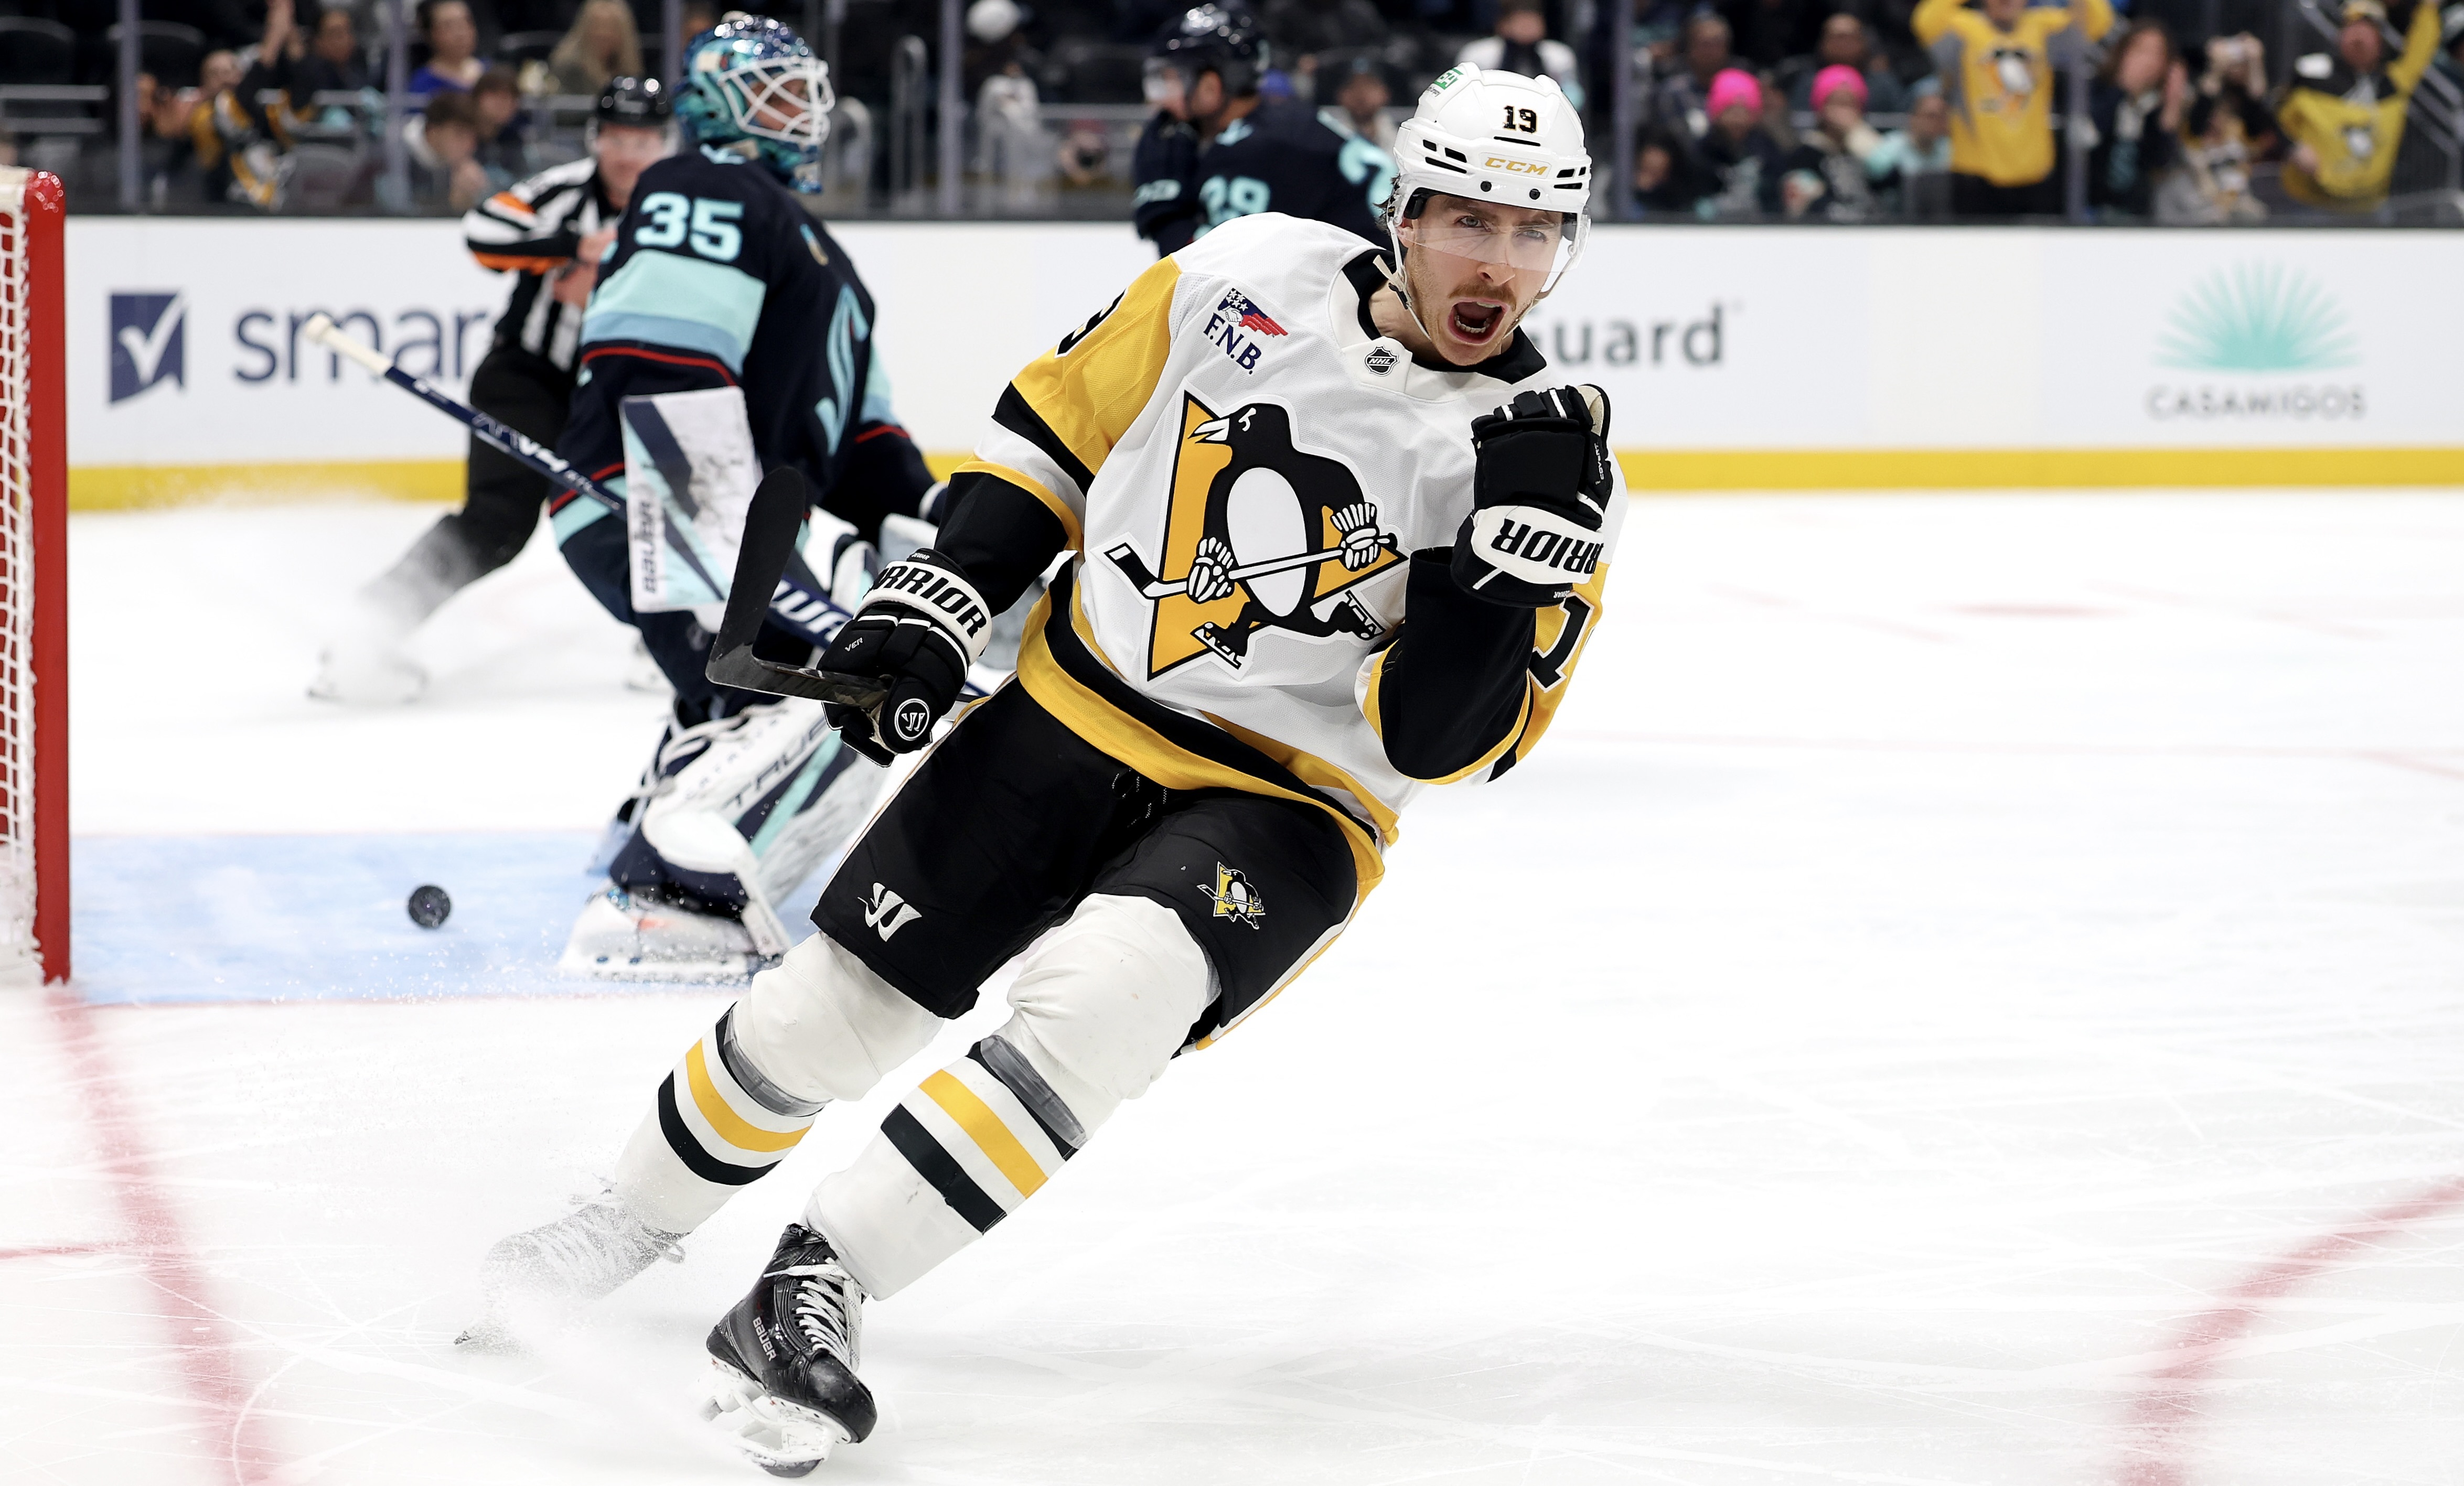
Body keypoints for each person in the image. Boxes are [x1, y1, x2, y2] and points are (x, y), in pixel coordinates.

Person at [467, 64, 1622, 1477]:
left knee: (1106, 1004)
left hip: (1291, 802)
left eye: (1530, 232)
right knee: (834, 1015)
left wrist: (1495, 589)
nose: (1497, 261)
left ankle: (813, 1286)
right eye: (1469, 220)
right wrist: (943, 603)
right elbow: (1055, 435)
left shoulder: (1548, 458)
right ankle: (629, 1214)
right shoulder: (1249, 276)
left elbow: (1436, 745)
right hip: (1074, 705)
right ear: (1405, 209)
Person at [547, 15, 940, 980]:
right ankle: (667, 892)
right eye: (773, 91)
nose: (800, 113)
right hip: (654, 495)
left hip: (718, 517)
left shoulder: (823, 262)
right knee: (841, 673)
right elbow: (664, 361)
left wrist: (945, 524)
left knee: (802, 666)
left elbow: (867, 443)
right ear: (717, 98)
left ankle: (663, 817)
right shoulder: (701, 184)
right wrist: (722, 549)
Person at [314, 78, 675, 704]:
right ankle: (368, 630)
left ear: (664, 144)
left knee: (663, 508)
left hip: (625, 390)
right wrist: (571, 248)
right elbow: (485, 230)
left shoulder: (683, 209)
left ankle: (672, 641)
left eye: (643, 141)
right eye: (617, 138)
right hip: (529, 377)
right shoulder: (563, 194)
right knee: (496, 523)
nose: (628, 155)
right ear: (597, 139)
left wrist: (612, 283)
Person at [1130, 4, 1394, 254]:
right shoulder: (1283, 124)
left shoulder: (1254, 151)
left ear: (1210, 86)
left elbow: (1209, 274)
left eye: (1169, 80)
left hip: (1389, 284)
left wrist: (1165, 211)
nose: (1158, 100)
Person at [1915, 0, 2114, 217]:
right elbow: (1926, 21)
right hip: (1974, 175)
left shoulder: (2043, 27)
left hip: (2035, 175)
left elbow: (2097, 21)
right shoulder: (1964, 29)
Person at [2277, 0, 2441, 211]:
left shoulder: (2392, 84)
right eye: (2352, 28)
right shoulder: (2311, 77)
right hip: (2310, 201)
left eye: (2368, 30)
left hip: (2368, 207)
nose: (2359, 37)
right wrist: (2293, 147)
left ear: (2380, 40)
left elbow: (2421, 48)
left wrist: (2428, 9)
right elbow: (2277, 121)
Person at [2086, 20, 2187, 218]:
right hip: (2092, 208)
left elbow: (2161, 165)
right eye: (2140, 50)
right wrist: (2122, 88)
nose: (2147, 61)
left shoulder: (2157, 106)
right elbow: (2089, 137)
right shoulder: (2098, 90)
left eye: (2157, 54)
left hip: (2138, 214)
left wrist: (2172, 107)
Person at [1782, 64, 1888, 219]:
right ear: (1821, 109)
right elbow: (1805, 205)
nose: (1843, 112)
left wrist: (1859, 137)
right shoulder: (1805, 154)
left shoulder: (1868, 146)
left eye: (1850, 105)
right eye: (1836, 104)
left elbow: (1890, 180)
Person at [1456, 0, 1587, 107]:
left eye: (1532, 23)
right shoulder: (1477, 54)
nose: (1527, 29)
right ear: (1503, 25)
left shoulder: (1560, 55)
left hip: (1545, 114)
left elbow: (1574, 95)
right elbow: (1461, 93)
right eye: (1521, 23)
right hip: (1489, 110)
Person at [1694, 66, 1784, 216]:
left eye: (1746, 111)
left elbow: (1775, 190)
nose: (1738, 119)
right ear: (1716, 113)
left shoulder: (1766, 148)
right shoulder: (1703, 150)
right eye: (1731, 110)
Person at [1787, 13, 1912, 112]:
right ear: (1823, 44)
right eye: (1838, 38)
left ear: (1863, 43)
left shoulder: (1884, 85)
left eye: (1850, 38)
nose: (1843, 45)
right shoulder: (1808, 83)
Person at [1866, 80, 1955, 214]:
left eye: (1941, 117)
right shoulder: (1889, 148)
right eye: (1930, 116)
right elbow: (1872, 181)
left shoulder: (1951, 151)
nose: (1935, 122)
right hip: (1895, 221)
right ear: (1913, 118)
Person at [408, 89, 496, 209]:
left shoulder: (473, 161)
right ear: (434, 133)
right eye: (460, 134)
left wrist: (466, 199)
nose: (470, 145)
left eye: (474, 136)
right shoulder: (393, 159)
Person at [548, 0, 645, 96]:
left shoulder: (629, 74)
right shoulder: (569, 70)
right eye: (597, 26)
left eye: (611, 27)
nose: (604, 34)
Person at [409, 0, 485, 100]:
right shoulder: (422, 86)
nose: (461, 34)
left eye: (466, 22)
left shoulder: (492, 73)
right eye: (449, 26)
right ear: (430, 34)